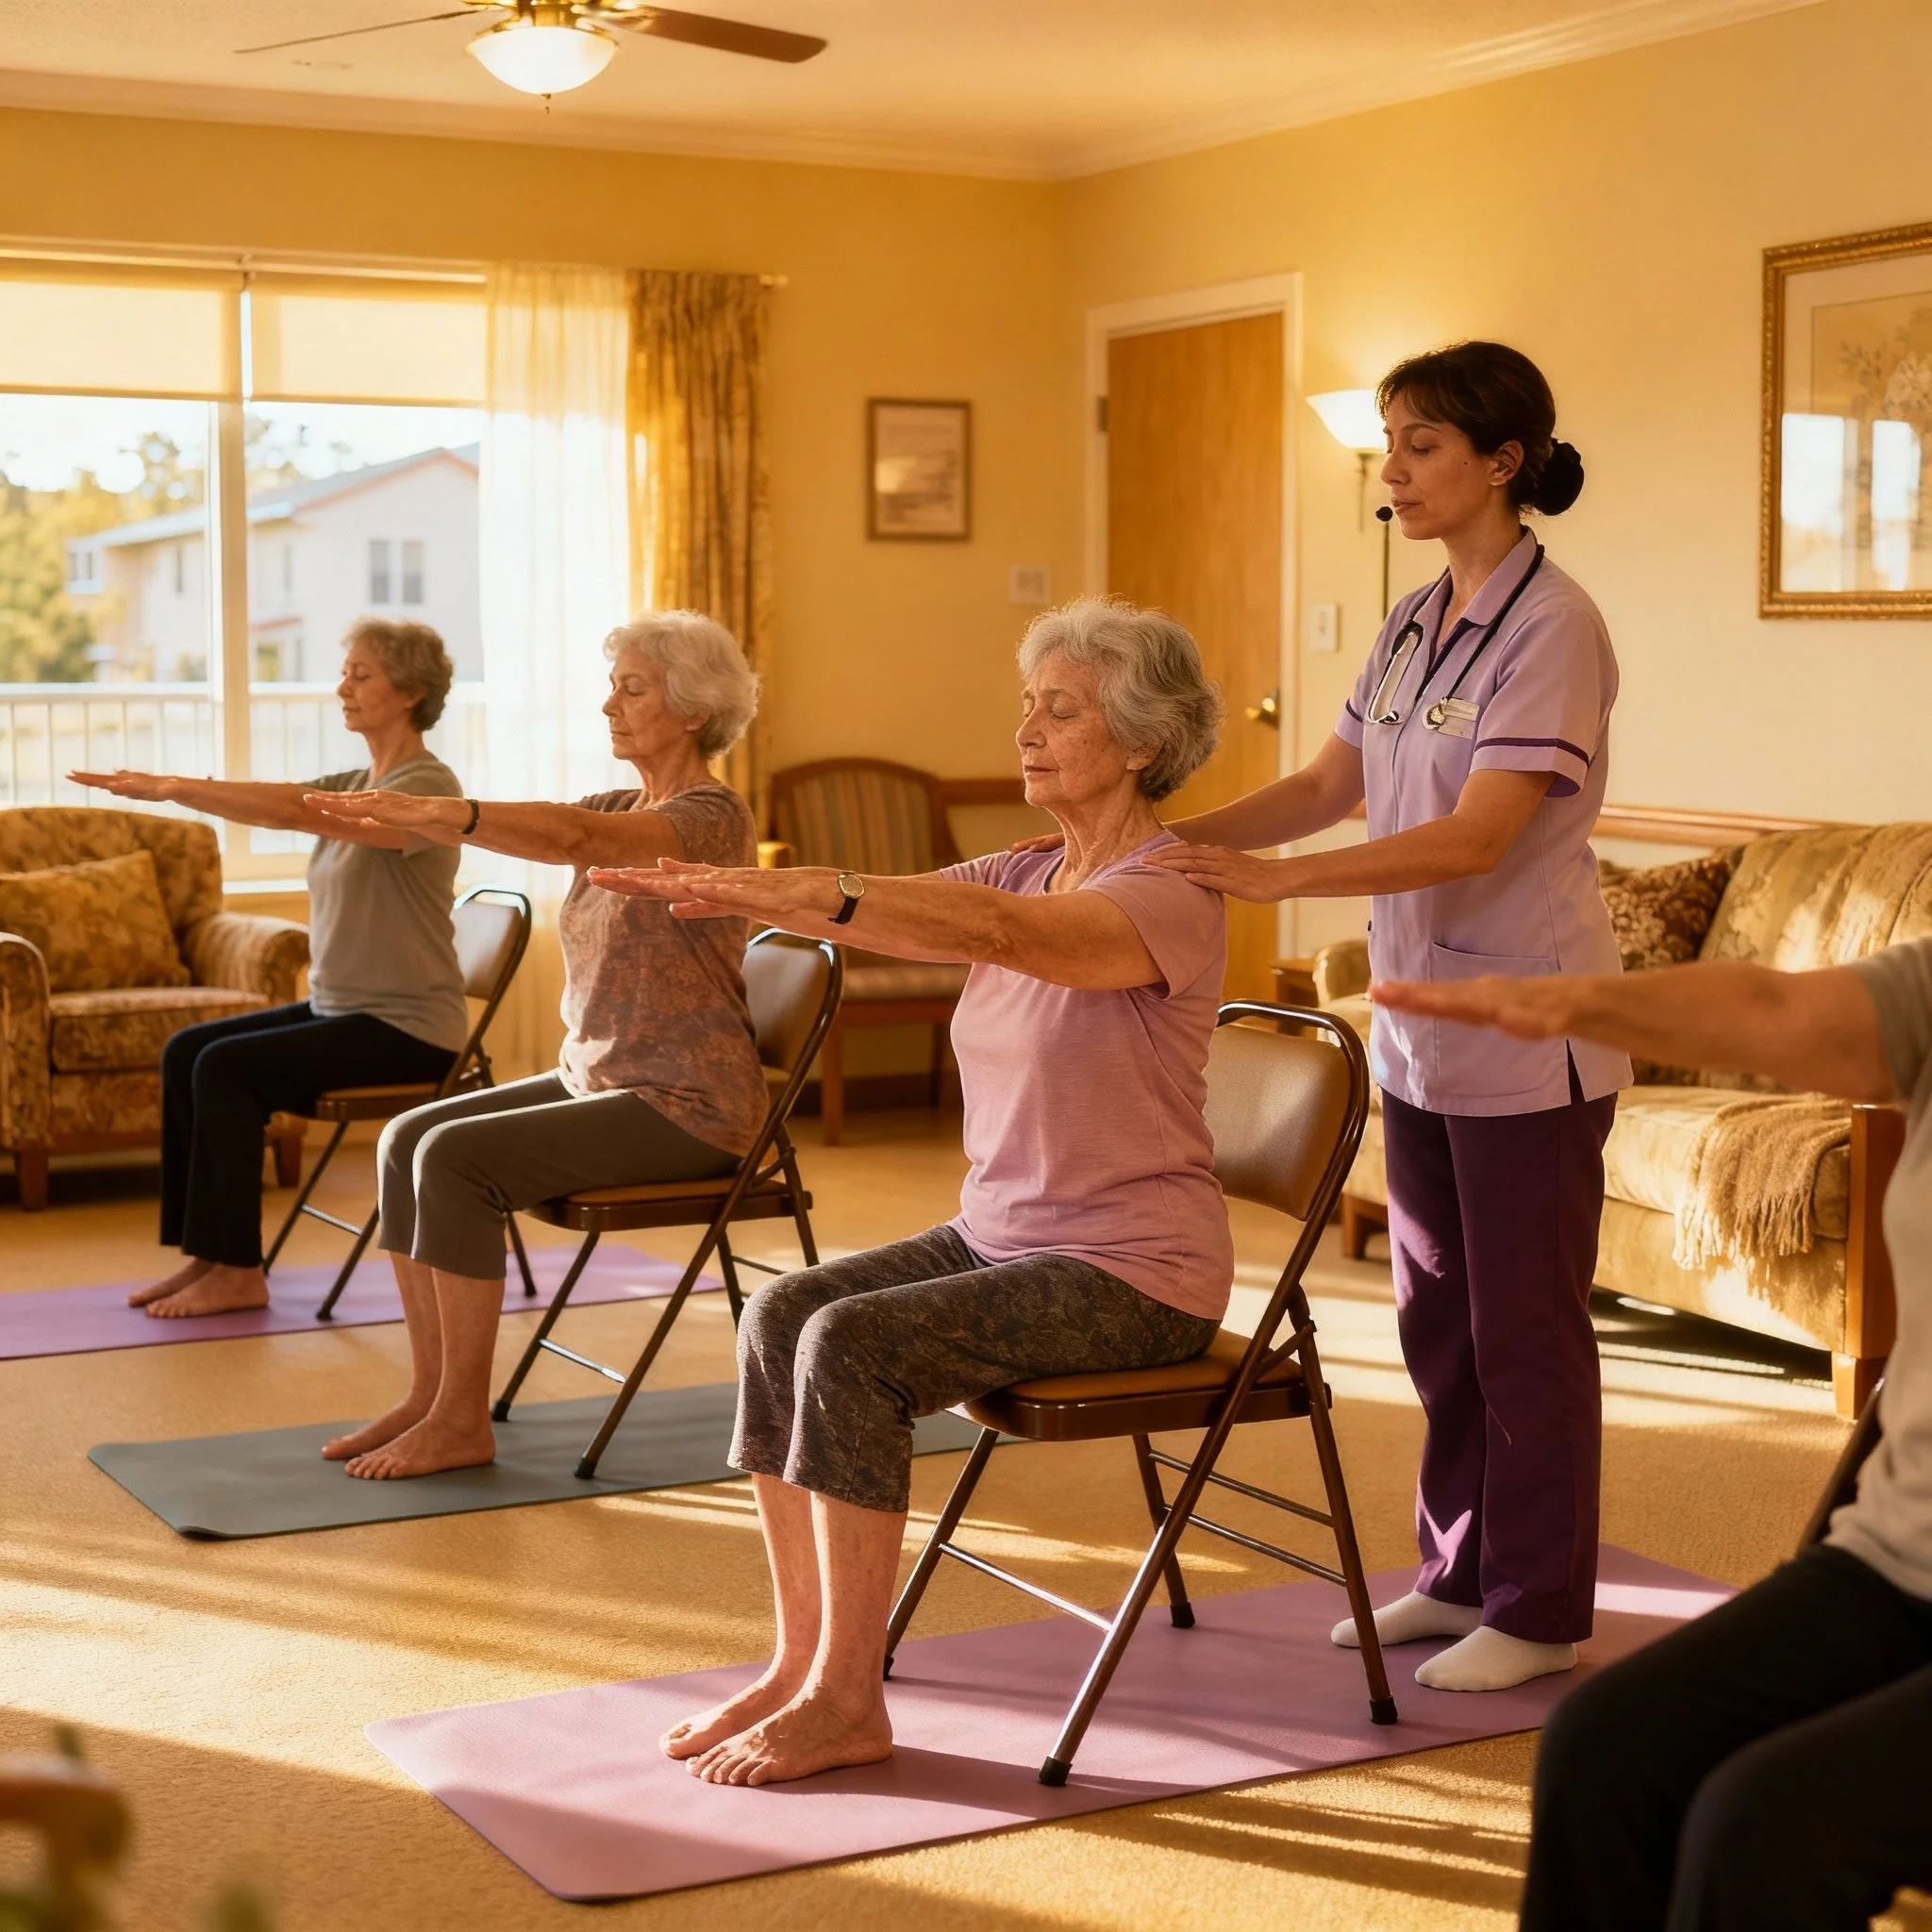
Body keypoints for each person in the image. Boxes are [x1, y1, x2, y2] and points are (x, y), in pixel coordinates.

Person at [585, 596, 1228, 1788]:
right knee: (779, 1311)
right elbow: (897, 897)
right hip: (1004, 1238)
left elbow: (994, 928)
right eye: (1026, 705)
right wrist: (739, 890)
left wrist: (796, 896)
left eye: (1062, 709)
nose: (1028, 729)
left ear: (1141, 739)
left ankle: (848, 1696)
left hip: (1134, 1272)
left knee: (853, 1345)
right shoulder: (1033, 857)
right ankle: (800, 1657)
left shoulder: (1166, 890)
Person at [1144, 341, 1626, 1692]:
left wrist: (1283, 885)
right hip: (1419, 1030)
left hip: (1530, 1030)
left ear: (1502, 459)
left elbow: (1478, 836)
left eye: (1419, 444)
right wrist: (1158, 841)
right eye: (1391, 445)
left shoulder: (1554, 626)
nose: (1394, 470)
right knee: (1436, 1318)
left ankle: (1537, 1610)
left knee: (1525, 1331)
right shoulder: (1414, 620)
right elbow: (1319, 786)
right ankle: (1460, 1569)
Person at [1374, 948, 1932, 1931]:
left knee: (1766, 1825)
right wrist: (1572, 995)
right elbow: (1776, 1004)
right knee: (1601, 1744)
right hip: (1901, 1558)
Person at [304, 610, 769, 1482]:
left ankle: (459, 1422)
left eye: (632, 688)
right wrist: (436, 820)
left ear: (694, 708)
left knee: (451, 1160)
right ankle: (433, 1391)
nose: (609, 705)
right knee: (409, 1135)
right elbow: (562, 826)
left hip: (689, 1105)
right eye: (614, 686)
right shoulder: (614, 805)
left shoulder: (710, 816)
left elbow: (574, 840)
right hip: (600, 1079)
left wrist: (442, 810)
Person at [73, 619, 468, 1319]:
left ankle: (240, 1273)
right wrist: (174, 787)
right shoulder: (354, 779)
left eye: (361, 674)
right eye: (345, 672)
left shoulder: (426, 787)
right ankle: (208, 1254)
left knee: (227, 1069)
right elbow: (280, 801)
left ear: (409, 691)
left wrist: (172, 787)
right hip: (343, 1010)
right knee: (187, 1049)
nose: (342, 686)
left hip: (406, 1024)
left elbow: (288, 810)